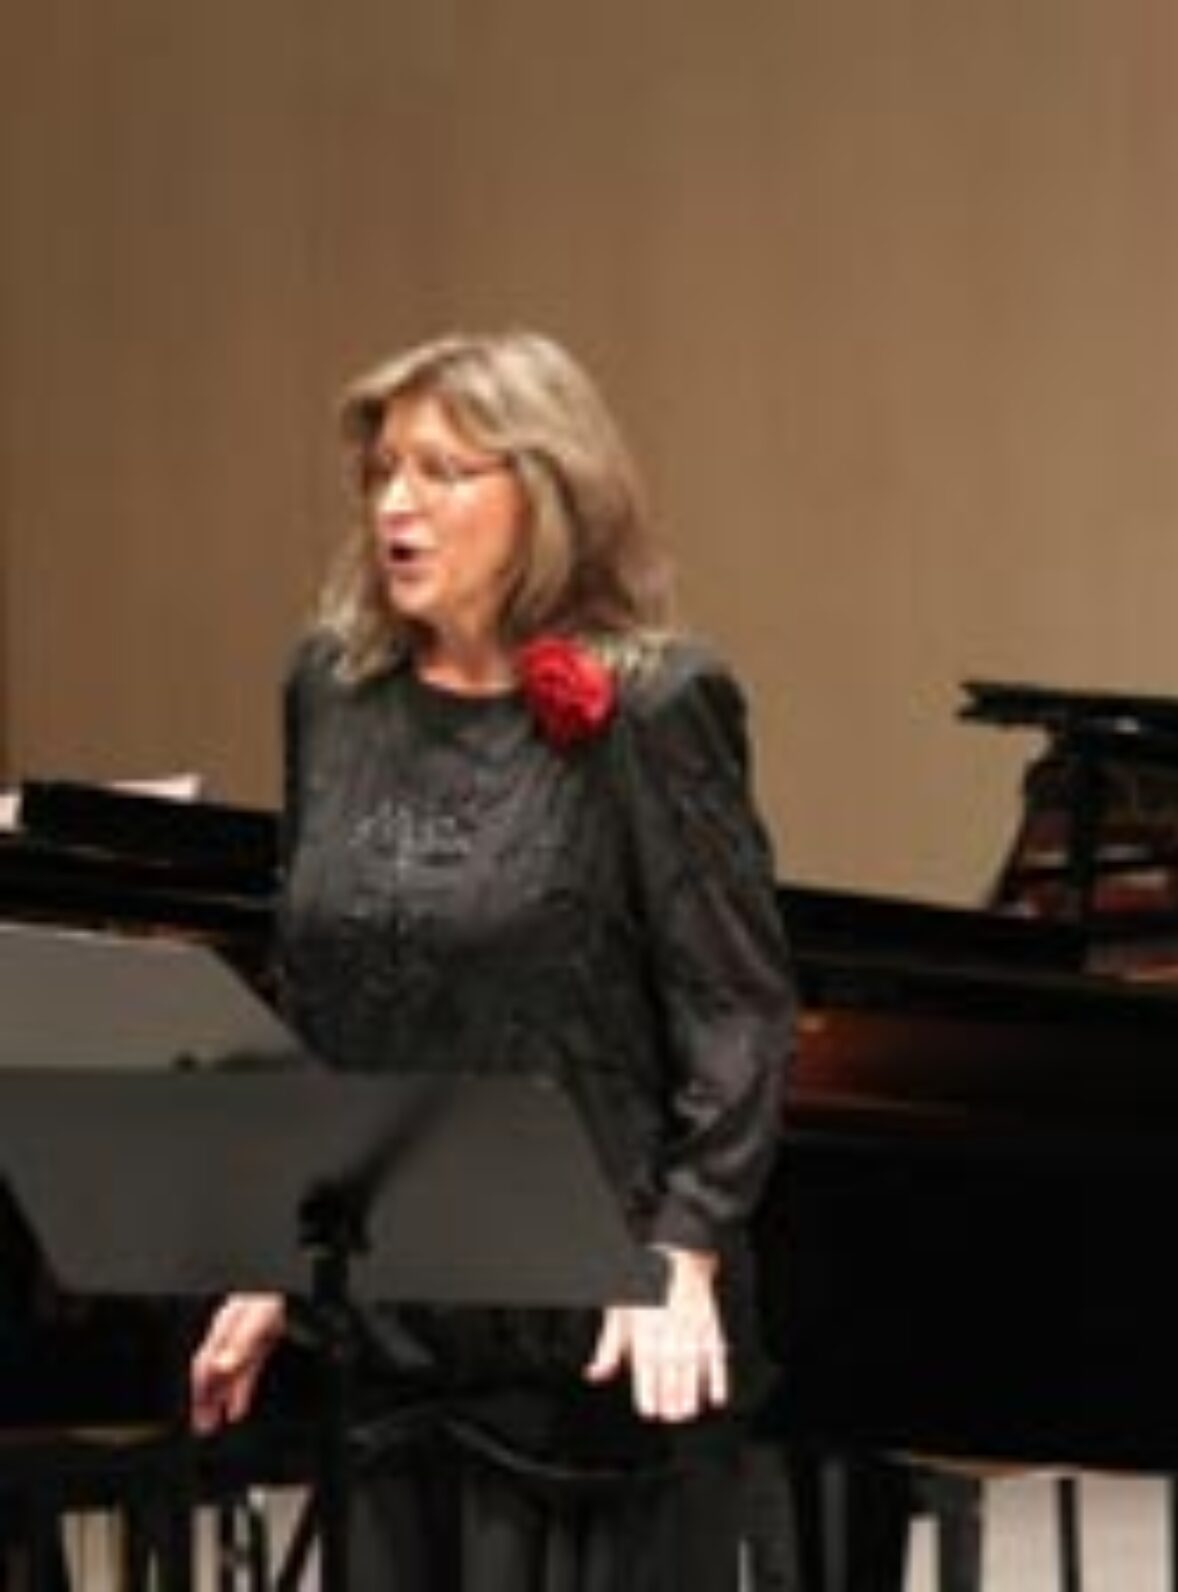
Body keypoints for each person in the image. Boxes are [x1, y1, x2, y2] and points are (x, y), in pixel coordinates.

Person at [189, 330, 795, 1592]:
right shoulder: (334, 691)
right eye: (383, 472)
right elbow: (325, 997)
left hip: (594, 1324)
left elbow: (735, 1004)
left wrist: (684, 1247)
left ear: (547, 491)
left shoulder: (654, 705)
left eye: (441, 470)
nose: (395, 505)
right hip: (397, 1327)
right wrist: (276, 1244)